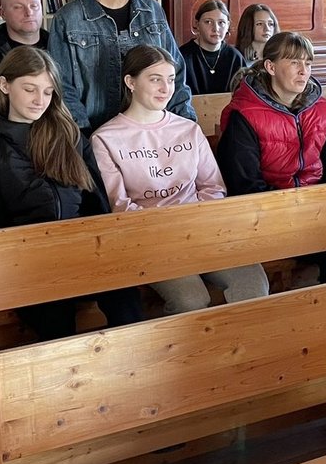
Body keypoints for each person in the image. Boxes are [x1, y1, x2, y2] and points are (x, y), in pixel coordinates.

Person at [0, 47, 142, 340]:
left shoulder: (69, 135)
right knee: (56, 312)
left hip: (80, 246)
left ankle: (125, 376)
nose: (40, 100)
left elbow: (95, 202)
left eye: (48, 92)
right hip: (26, 259)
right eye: (30, 89)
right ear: (4, 85)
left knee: (125, 297)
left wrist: (93, 246)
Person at [92, 45, 269, 314]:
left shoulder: (188, 129)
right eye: (155, 79)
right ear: (130, 82)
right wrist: (171, 230)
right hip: (152, 241)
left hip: (202, 230)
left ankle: (241, 352)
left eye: (171, 79)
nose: (166, 88)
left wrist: (195, 222)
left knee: (253, 282)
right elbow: (120, 206)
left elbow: (213, 186)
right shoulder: (105, 138)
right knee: (191, 299)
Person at [217, 31, 326, 283]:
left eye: (308, 63)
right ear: (271, 67)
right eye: (294, 62)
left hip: (316, 210)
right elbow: (244, 184)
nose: (303, 71)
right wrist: (294, 211)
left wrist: (323, 207)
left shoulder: (320, 110)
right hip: (266, 215)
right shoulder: (244, 115)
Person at [48, 0, 195, 134]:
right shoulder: (68, 18)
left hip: (154, 134)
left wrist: (186, 126)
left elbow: (176, 73)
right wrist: (86, 141)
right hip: (93, 133)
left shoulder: (151, 10)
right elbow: (63, 88)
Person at [179, 0, 245, 95]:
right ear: (197, 24)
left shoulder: (235, 57)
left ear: (228, 25)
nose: (216, 29)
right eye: (208, 22)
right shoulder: (183, 55)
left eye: (221, 22)